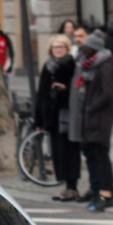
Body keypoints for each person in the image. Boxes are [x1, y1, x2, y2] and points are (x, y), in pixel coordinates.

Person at [70, 30, 113, 212]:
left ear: (94, 50)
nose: (83, 52)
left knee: (100, 155)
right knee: (91, 154)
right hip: (90, 117)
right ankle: (96, 188)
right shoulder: (92, 65)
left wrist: (90, 107)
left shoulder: (105, 67)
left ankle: (106, 194)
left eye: (86, 49)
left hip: (99, 118)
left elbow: (107, 94)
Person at [34, 34, 79, 201]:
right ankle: (66, 186)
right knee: (57, 152)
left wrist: (64, 89)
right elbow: (41, 94)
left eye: (61, 47)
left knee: (70, 151)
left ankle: (72, 186)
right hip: (52, 116)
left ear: (67, 49)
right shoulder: (48, 66)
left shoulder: (72, 65)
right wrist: (38, 120)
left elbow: (76, 91)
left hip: (67, 115)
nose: (58, 50)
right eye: (55, 47)